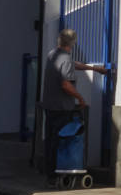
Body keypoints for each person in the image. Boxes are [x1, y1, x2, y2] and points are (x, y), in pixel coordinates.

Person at [40, 28, 102, 182]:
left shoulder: (52, 55)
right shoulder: (65, 59)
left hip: (50, 106)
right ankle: (59, 173)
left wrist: (94, 69)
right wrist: (80, 98)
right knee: (61, 141)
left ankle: (50, 174)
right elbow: (66, 85)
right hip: (62, 107)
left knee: (51, 140)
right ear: (73, 43)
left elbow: (73, 64)